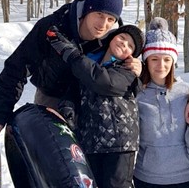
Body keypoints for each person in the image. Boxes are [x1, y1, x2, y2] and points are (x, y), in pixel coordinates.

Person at [0, 0, 142, 142]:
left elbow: (121, 77)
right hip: (50, 100)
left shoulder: (114, 39)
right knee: (47, 154)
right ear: (88, 10)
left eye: (110, 19)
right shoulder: (54, 28)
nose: (103, 24)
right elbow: (17, 68)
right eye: (99, 15)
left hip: (90, 111)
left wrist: (138, 70)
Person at [48, 24, 145, 188]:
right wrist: (68, 110)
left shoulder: (127, 72)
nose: (124, 44)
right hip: (91, 142)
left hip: (119, 145)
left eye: (130, 45)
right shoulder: (89, 61)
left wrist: (71, 54)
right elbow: (74, 90)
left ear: (132, 55)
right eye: (122, 37)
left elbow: (104, 82)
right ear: (112, 36)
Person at [133, 17, 189, 187]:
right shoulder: (137, 93)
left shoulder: (187, 91)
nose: (160, 65)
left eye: (166, 59)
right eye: (154, 59)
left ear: (173, 61)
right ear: (146, 61)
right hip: (148, 177)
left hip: (187, 176)